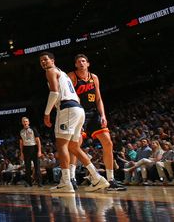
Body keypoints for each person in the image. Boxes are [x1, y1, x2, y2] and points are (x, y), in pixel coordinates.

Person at [40, 52, 109, 193]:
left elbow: (54, 93)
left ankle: (66, 182)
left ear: (52, 61)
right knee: (74, 146)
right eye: (41, 61)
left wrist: (46, 113)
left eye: (46, 59)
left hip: (67, 109)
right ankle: (97, 178)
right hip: (78, 110)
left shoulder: (51, 71)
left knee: (61, 145)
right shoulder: (64, 73)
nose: (43, 62)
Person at [68, 54, 126, 191]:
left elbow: (98, 99)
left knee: (108, 142)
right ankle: (71, 177)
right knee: (76, 145)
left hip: (93, 113)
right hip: (78, 112)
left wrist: (103, 115)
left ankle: (111, 179)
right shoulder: (72, 76)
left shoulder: (94, 77)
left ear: (88, 64)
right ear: (75, 65)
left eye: (83, 61)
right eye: (78, 61)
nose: (81, 63)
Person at [18, 117, 42, 187]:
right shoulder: (21, 131)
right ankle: (29, 183)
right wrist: (21, 153)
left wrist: (39, 151)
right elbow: (21, 143)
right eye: (24, 121)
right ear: (22, 123)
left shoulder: (33, 129)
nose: (25, 123)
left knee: (37, 167)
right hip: (26, 149)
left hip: (34, 148)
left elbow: (38, 141)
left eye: (26, 121)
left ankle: (39, 183)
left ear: (28, 122)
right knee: (27, 167)